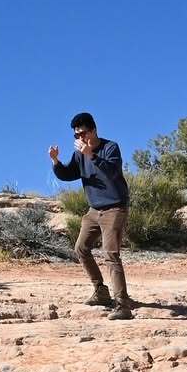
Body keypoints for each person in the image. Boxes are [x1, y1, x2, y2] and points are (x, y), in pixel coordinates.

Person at [49, 111, 132, 320]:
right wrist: (56, 161)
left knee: (111, 254)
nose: (80, 138)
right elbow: (69, 174)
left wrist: (91, 155)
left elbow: (112, 172)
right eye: (76, 135)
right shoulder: (79, 154)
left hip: (115, 208)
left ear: (93, 130)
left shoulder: (110, 147)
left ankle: (122, 305)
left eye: (83, 133)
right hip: (94, 210)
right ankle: (101, 292)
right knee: (81, 248)